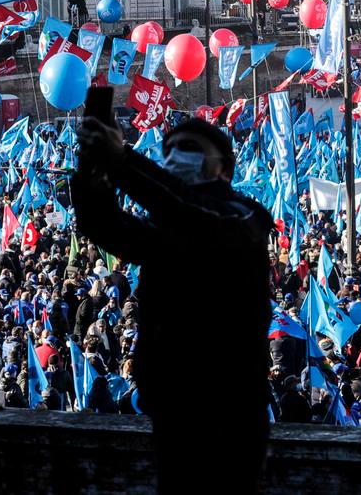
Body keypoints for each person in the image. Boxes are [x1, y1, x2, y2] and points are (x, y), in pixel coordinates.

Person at [73, 115, 273, 494]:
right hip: (172, 408)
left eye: (190, 149)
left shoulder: (243, 217)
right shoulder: (169, 232)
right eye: (168, 151)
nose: (175, 157)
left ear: (225, 168)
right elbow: (106, 227)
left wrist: (123, 160)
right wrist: (92, 172)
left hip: (228, 412)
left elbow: (191, 210)